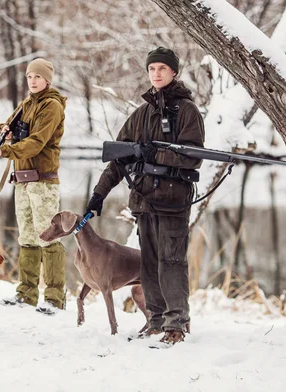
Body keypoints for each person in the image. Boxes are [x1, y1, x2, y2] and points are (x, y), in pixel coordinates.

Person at [86, 47, 205, 344]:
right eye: (152, 69)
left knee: (172, 261)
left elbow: (193, 157)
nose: (156, 74)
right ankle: (155, 320)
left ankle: (176, 323)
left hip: (174, 200)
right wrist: (99, 194)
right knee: (149, 263)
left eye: (163, 69)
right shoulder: (140, 115)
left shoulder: (187, 111)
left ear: (174, 72)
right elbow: (119, 159)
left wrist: (158, 154)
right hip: (144, 200)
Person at [0, 58, 67, 315]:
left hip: (43, 180)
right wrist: (6, 131)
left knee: (48, 237)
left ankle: (55, 298)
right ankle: (26, 294)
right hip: (22, 180)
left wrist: (5, 150)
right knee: (28, 237)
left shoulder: (51, 105)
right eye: (29, 76)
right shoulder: (27, 103)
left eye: (37, 77)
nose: (32, 81)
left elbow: (36, 142)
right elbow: (6, 124)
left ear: (47, 80)